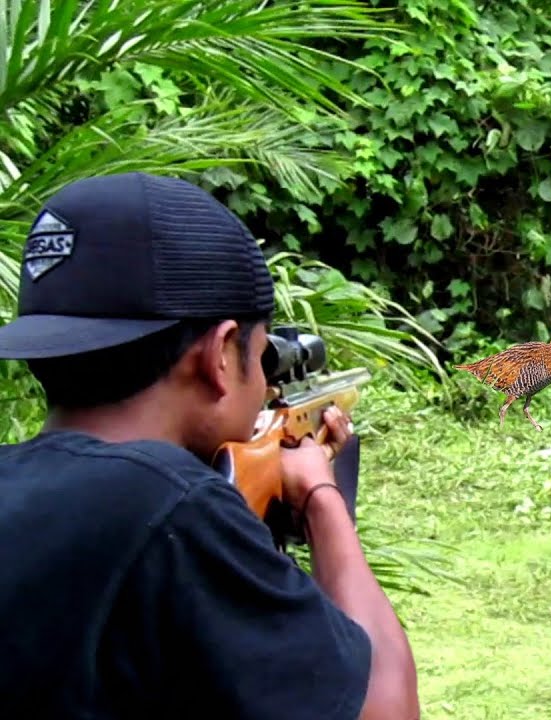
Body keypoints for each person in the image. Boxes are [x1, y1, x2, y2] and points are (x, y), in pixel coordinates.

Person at [0, 172, 420, 718]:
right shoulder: (176, 507)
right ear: (221, 354)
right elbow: (384, 708)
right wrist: (320, 496)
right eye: (264, 356)